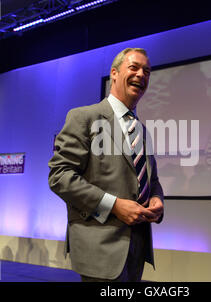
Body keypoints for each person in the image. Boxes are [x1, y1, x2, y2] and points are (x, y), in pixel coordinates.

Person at [48, 48, 164, 282]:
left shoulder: (142, 131)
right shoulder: (84, 117)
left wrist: (157, 199)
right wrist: (113, 206)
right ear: (114, 73)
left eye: (147, 71)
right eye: (134, 68)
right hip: (100, 250)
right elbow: (60, 176)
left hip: (137, 248)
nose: (142, 74)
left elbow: (152, 182)